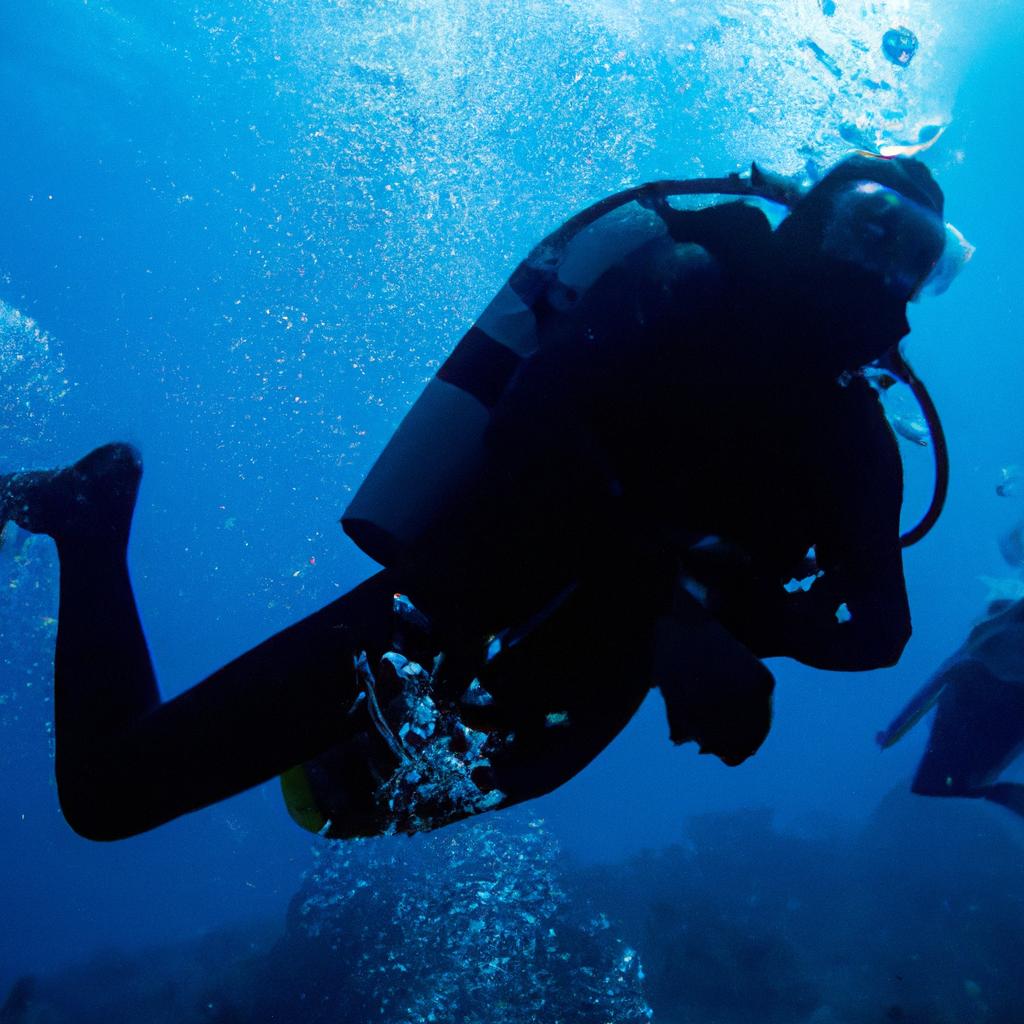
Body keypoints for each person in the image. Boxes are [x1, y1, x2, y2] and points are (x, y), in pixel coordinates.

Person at [1, 153, 956, 841]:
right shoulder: (688, 281)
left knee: (341, 813)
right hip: (440, 612)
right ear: (804, 217)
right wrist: (680, 622)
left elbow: (882, 631)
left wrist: (733, 621)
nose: (882, 269)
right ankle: (92, 525)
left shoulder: (858, 443)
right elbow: (536, 421)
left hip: (575, 699)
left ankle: (95, 530)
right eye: (870, 226)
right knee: (108, 798)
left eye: (915, 258)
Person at [878, 596, 1024, 820]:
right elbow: (933, 686)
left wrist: (895, 730)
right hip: (968, 723)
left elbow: (932, 687)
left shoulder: (976, 656)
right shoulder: (971, 661)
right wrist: (896, 730)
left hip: (989, 726)